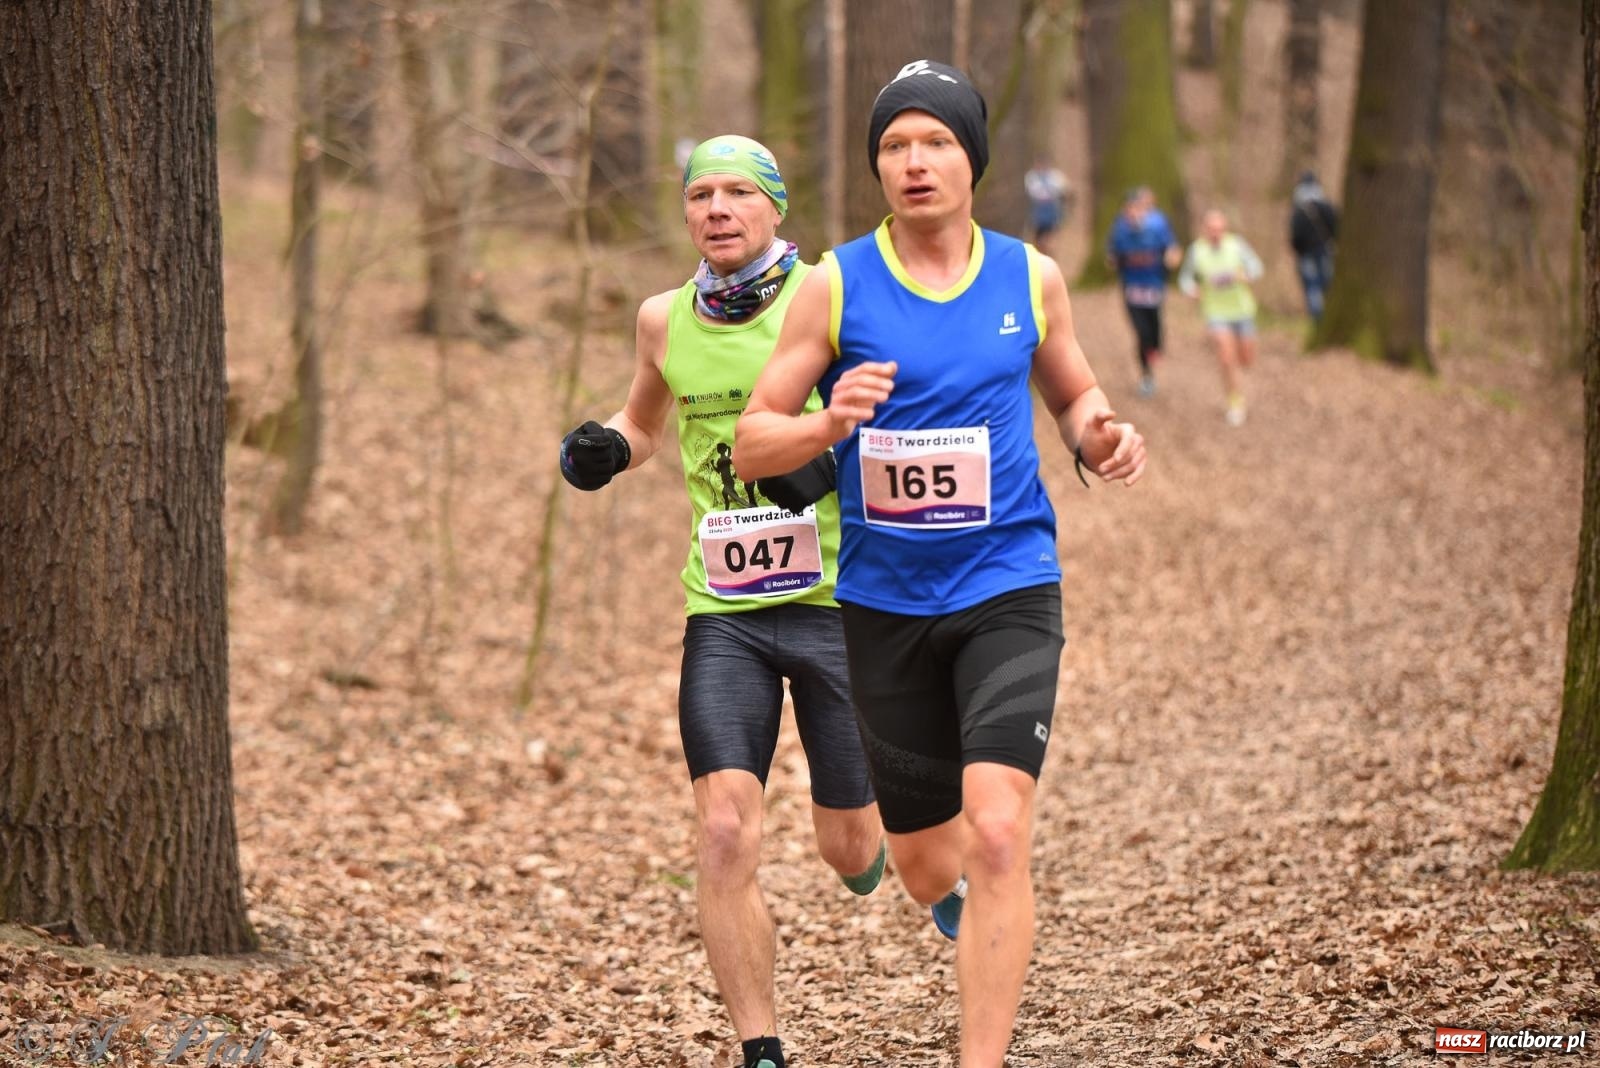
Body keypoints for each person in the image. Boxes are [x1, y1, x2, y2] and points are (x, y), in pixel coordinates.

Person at [732, 61, 1147, 1068]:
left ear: (973, 161)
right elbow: (752, 441)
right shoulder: (835, 284)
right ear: (877, 165)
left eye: (936, 143)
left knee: (999, 828)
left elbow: (1074, 394)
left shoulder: (1028, 277)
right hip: (884, 604)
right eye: (894, 146)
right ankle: (949, 897)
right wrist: (827, 423)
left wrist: (1099, 436)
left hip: (1008, 583)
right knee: (924, 864)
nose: (914, 163)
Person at [557, 135, 892, 1068]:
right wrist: (607, 447)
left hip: (836, 600)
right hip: (725, 611)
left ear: (775, 206)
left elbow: (891, 414)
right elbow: (644, 421)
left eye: (738, 192)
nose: (717, 209)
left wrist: (822, 460)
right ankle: (761, 1048)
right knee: (721, 829)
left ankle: (883, 852)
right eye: (701, 193)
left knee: (847, 846)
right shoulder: (663, 318)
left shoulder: (828, 298)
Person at [1179, 208, 1264, 427]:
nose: (1216, 233)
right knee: (1226, 358)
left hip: (1242, 310)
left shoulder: (1237, 245)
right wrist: (1192, 289)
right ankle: (1235, 402)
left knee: (1246, 359)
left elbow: (1257, 267)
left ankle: (1239, 374)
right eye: (1211, 229)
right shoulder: (1196, 251)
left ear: (1225, 229)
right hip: (1215, 312)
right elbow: (1185, 279)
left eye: (1219, 229)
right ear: (1204, 230)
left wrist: (1246, 275)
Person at [1106, 186, 1182, 397]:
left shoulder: (1157, 225)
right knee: (1141, 332)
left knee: (1155, 326)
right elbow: (1112, 253)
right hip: (1132, 287)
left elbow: (1172, 247)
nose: (1134, 213)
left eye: (1138, 208)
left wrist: (1172, 257)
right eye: (1130, 209)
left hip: (1154, 285)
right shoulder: (1120, 229)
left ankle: (1156, 348)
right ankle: (1147, 375)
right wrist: (1113, 260)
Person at [1289, 170, 1339, 324]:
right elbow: (1337, 227)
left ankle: (1318, 319)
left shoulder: (1299, 211)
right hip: (1326, 251)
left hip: (1307, 254)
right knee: (1327, 284)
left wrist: (1299, 251)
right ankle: (1330, 315)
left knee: (1312, 286)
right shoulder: (1327, 207)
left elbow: (1295, 236)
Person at [1023, 157, 1073, 258]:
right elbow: (1032, 192)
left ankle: (1048, 254)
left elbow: (1066, 190)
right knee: (1038, 237)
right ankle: (1041, 253)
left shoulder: (1055, 177)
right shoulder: (1032, 177)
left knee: (1049, 237)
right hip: (1038, 211)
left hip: (1052, 210)